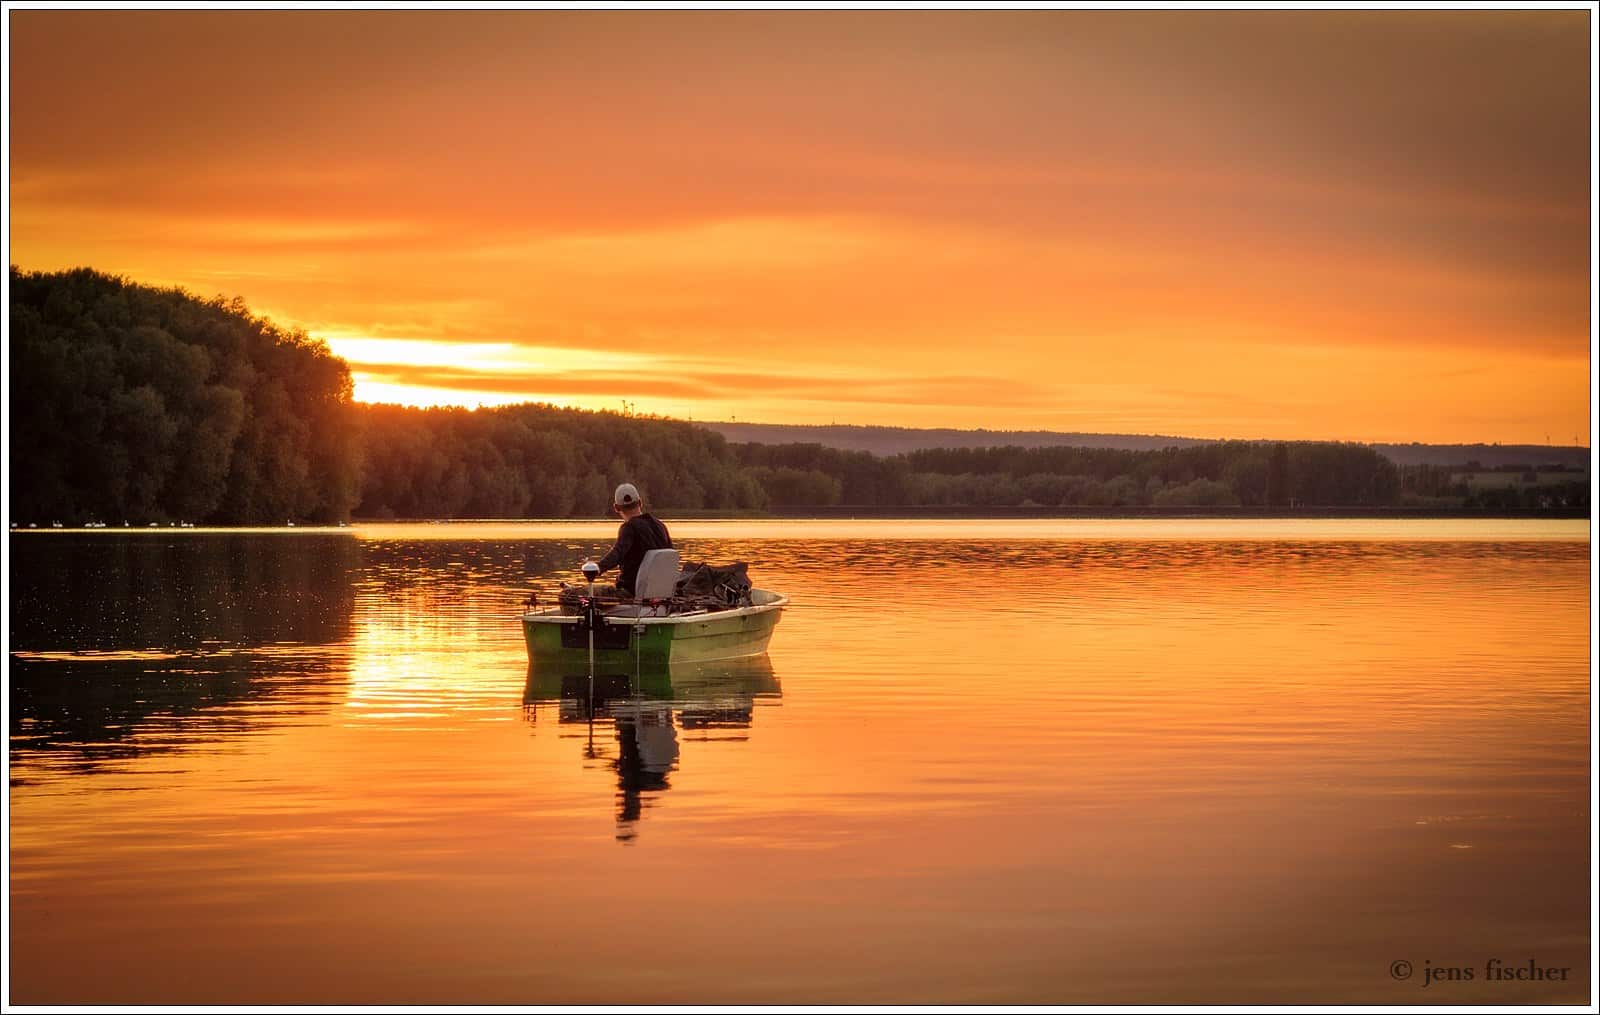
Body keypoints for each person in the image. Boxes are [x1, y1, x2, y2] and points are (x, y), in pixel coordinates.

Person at [589, 483, 672, 598]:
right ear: (640, 502)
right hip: (661, 593)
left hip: (630, 592)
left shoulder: (629, 527)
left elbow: (617, 553)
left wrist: (597, 568)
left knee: (574, 594)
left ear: (616, 508)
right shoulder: (660, 525)